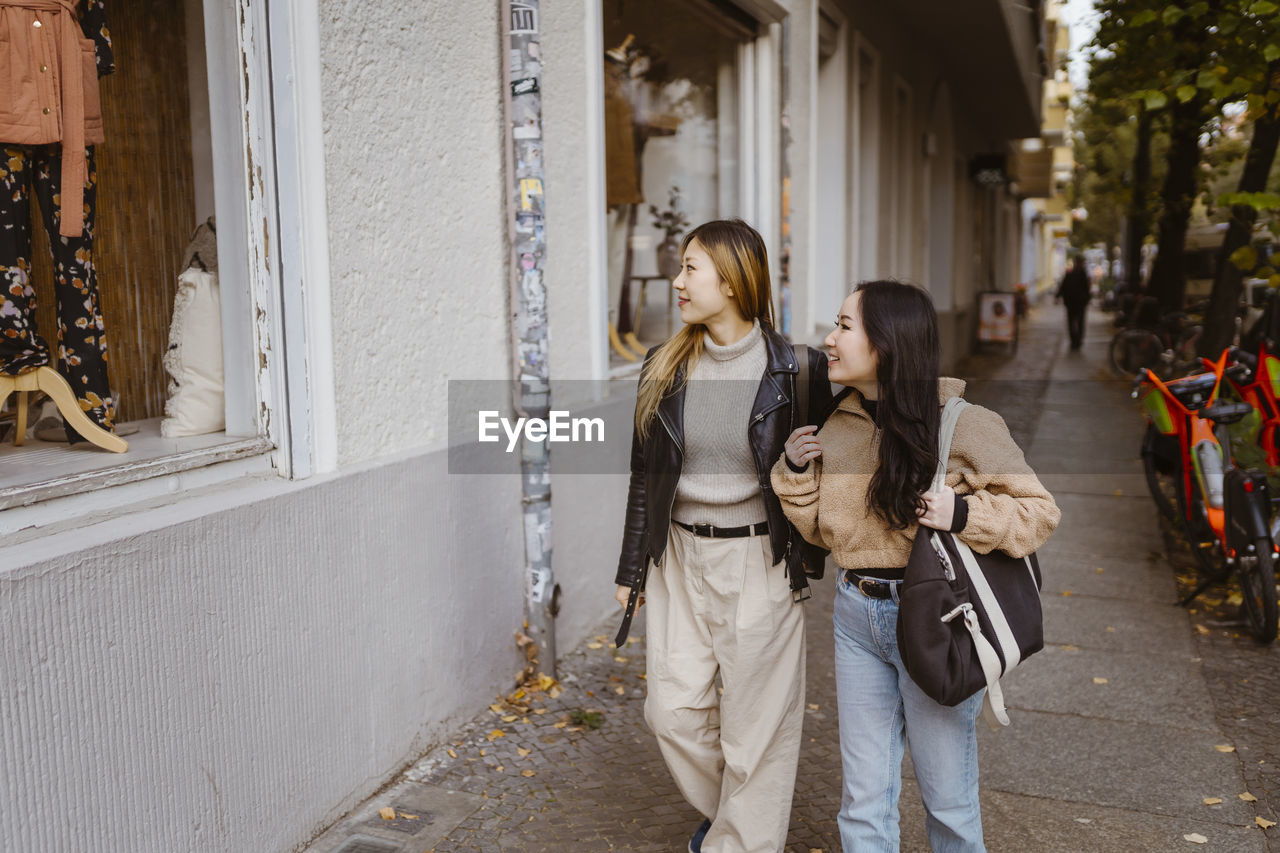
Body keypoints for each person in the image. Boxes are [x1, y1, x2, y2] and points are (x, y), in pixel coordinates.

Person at [770, 280, 1059, 852]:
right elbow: (823, 533)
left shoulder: (965, 424)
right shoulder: (840, 425)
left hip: (937, 620)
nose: (829, 339)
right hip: (856, 614)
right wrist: (796, 473)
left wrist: (963, 513)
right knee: (862, 802)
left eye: (845, 326)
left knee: (948, 802)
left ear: (889, 341)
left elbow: (1039, 513)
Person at [613, 218, 832, 853]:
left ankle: (738, 843)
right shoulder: (663, 365)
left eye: (690, 268)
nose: (677, 281)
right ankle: (741, 817)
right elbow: (643, 475)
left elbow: (831, 466)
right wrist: (631, 569)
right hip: (677, 557)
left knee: (755, 729)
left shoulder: (798, 372)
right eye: (680, 268)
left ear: (734, 280)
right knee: (672, 714)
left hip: (760, 559)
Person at [1056, 255, 1091, 350]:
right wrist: (1058, 296)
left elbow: (1087, 290)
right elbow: (1063, 286)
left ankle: (1077, 340)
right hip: (1072, 302)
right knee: (1074, 322)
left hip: (1077, 303)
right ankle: (1075, 340)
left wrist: (1087, 299)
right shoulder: (1072, 273)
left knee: (1077, 322)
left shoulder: (1082, 274)